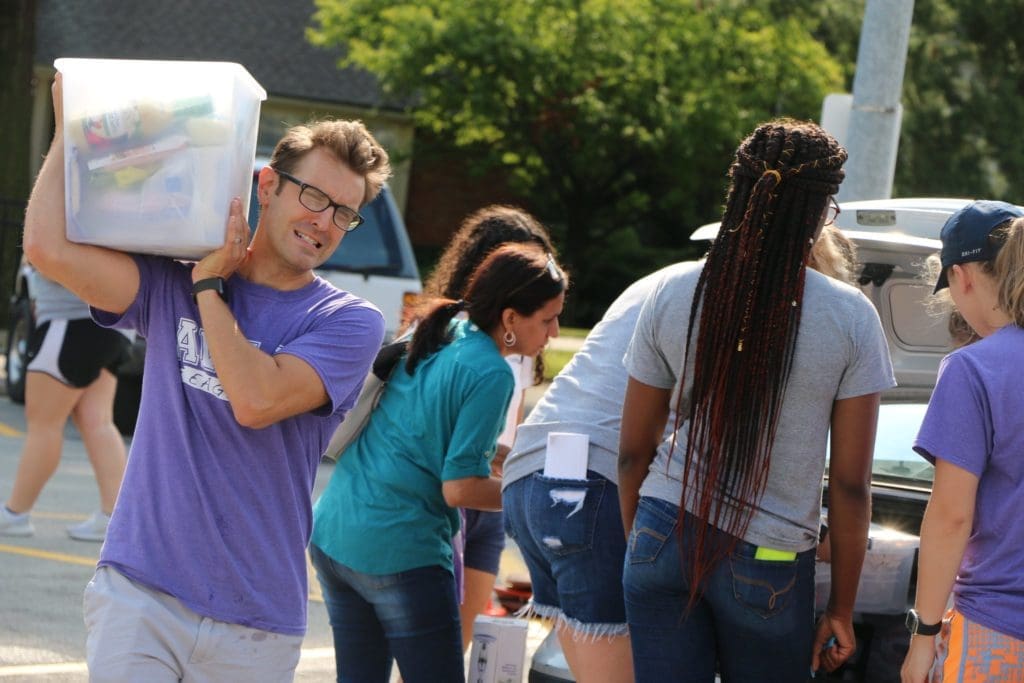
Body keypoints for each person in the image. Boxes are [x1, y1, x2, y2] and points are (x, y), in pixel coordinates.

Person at [22, 73, 389, 681]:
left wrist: (209, 289)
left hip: (255, 625)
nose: (325, 222)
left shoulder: (347, 322)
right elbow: (47, 248)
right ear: (267, 185)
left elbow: (256, 399)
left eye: (345, 213)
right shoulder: (171, 282)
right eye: (315, 197)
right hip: (140, 594)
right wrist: (68, 130)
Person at [502, 215, 861, 683]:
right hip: (602, 483)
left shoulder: (665, 283)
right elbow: (728, 457)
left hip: (531, 478)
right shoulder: (740, 307)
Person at [618, 119, 896, 682]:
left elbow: (631, 454)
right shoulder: (849, 317)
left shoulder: (671, 292)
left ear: (738, 194)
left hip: (659, 530)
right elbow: (849, 485)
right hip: (767, 561)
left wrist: (643, 547)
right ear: (819, 215)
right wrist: (841, 608)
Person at [309, 243, 567, 683]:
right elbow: (460, 489)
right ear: (509, 319)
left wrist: (503, 457)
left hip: (336, 532)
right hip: (399, 548)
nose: (555, 332)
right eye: (547, 319)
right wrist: (531, 492)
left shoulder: (439, 329)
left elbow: (419, 428)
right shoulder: (492, 372)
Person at [419, 204, 556, 652]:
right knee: (428, 653)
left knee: (454, 645)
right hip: (454, 495)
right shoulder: (456, 339)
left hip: (489, 503)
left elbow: (508, 430)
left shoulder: (523, 339)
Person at [900, 201, 1024, 683]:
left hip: (997, 627)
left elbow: (951, 516)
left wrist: (923, 636)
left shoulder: (973, 369)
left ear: (961, 275)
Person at [0, 268, 131, 542]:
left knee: (43, 423)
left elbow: (48, 251)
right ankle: (114, 519)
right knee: (97, 421)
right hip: (114, 324)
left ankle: (15, 513)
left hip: (69, 319)